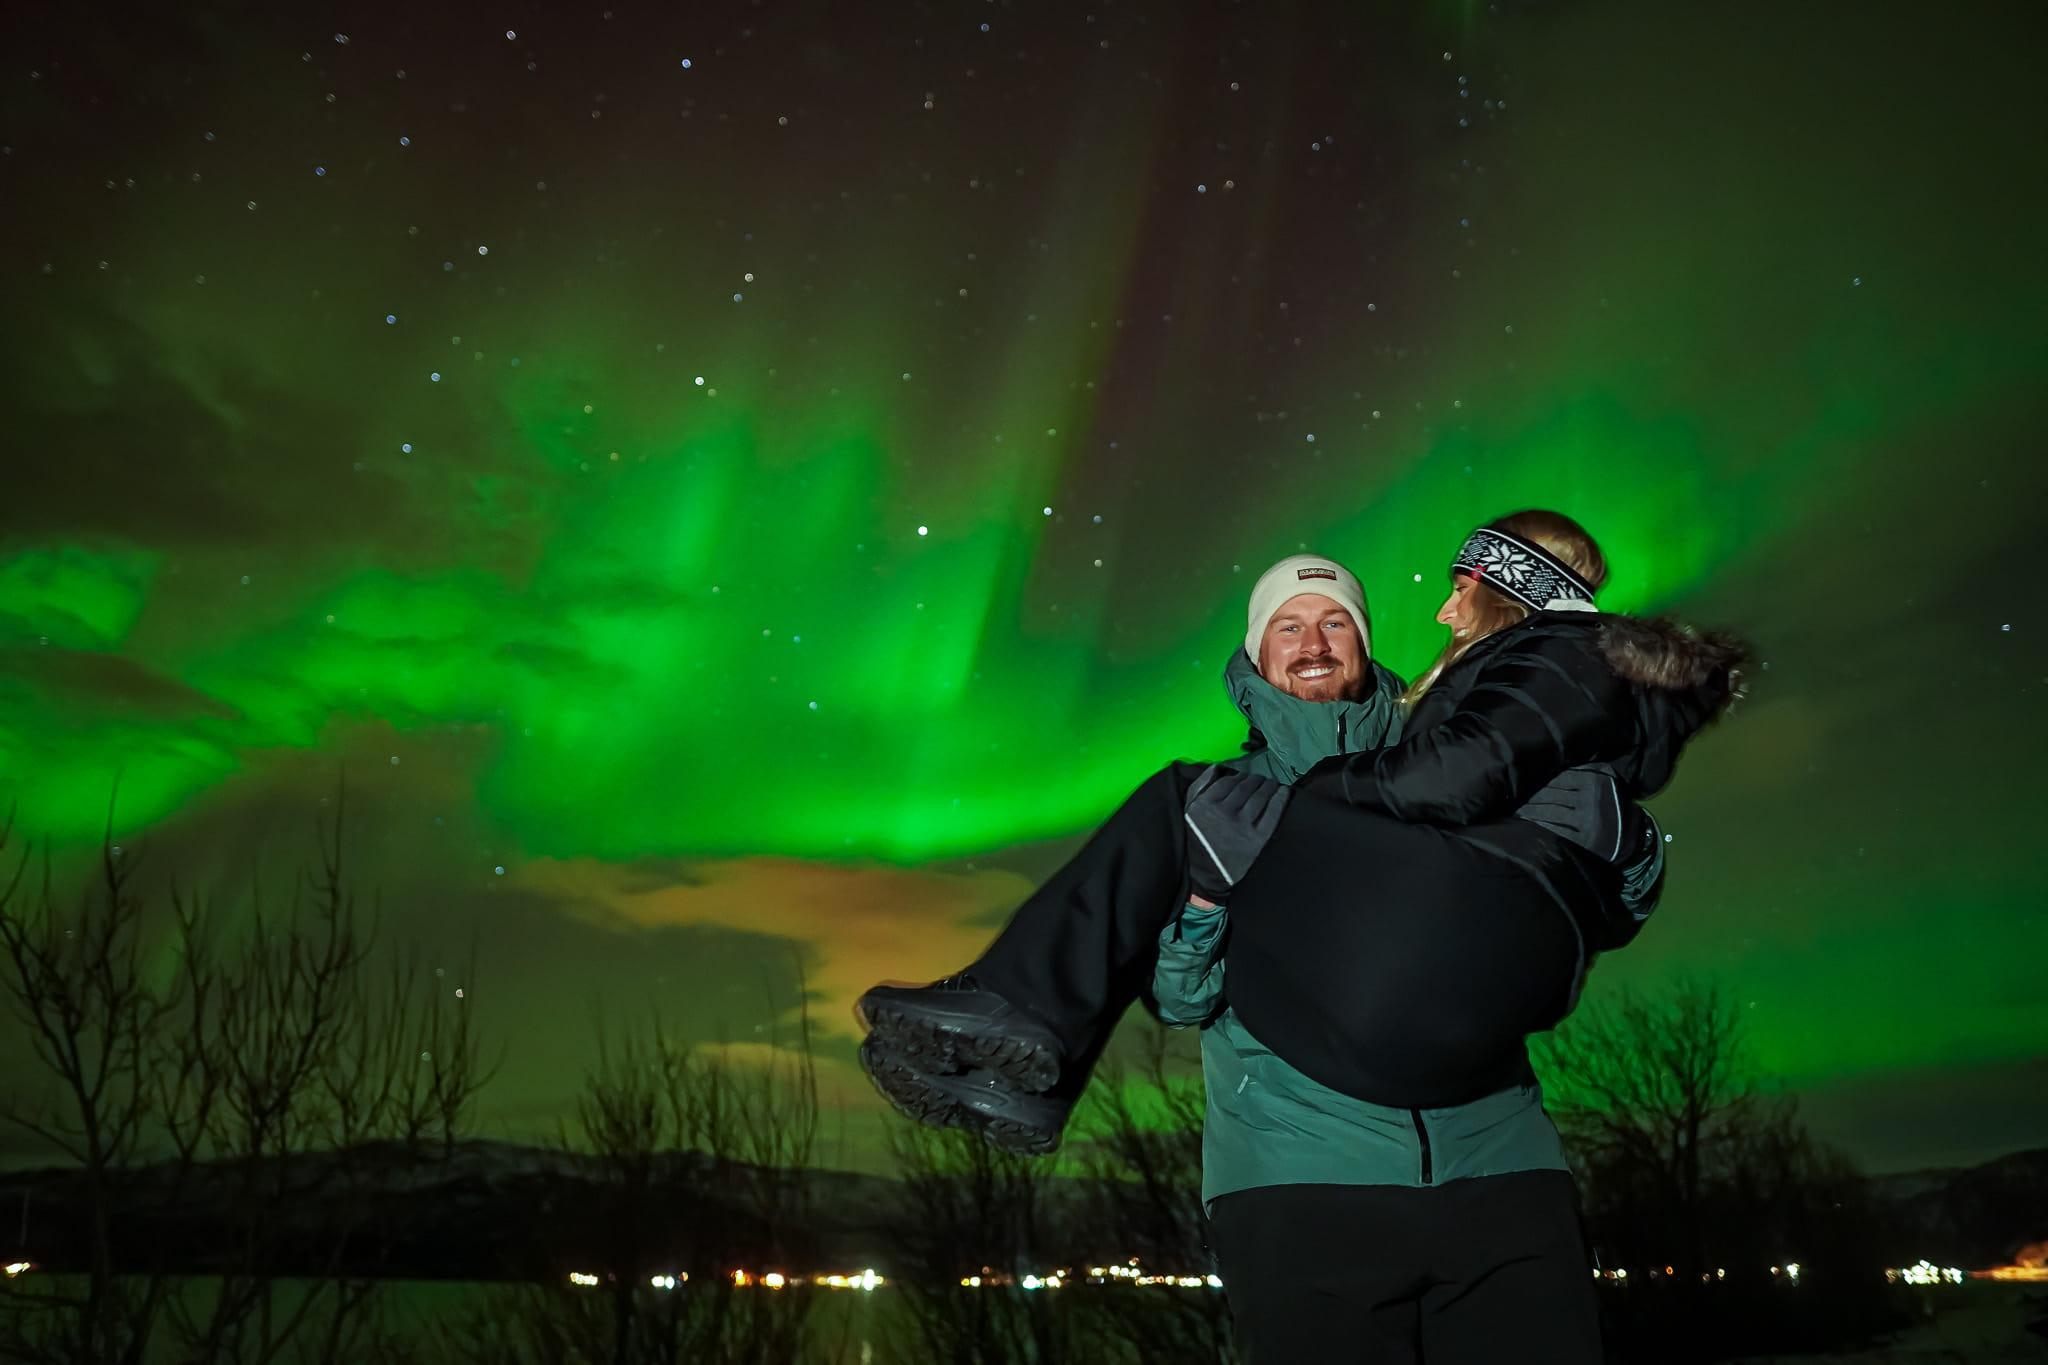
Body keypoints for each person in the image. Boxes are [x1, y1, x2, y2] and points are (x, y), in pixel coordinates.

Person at [857, 510, 1749, 1359]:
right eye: (1289, 626)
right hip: (1302, 1173)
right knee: (1187, 805)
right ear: (1257, 653)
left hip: (1499, 1160)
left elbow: (1565, 909)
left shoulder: (1456, 744)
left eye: (1335, 623)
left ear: (1364, 644)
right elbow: (1181, 998)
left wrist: (1632, 847)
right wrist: (1204, 902)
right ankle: (1014, 1047)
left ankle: (1018, 1018)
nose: (1314, 642)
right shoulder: (1231, 800)